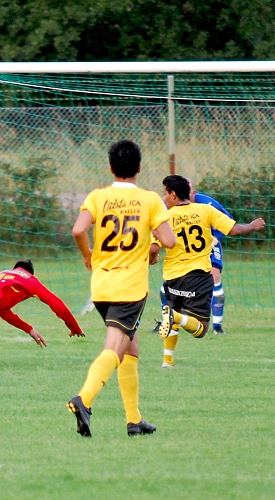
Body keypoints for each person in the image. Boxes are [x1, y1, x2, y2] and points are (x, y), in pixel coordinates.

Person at [68, 139, 176, 438]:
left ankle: (134, 420)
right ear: (139, 168)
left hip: (102, 286)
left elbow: (78, 230)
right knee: (114, 348)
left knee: (131, 345)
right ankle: (84, 399)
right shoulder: (151, 200)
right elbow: (169, 241)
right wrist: (152, 248)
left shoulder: (99, 197)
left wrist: (87, 255)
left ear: (111, 167)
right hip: (129, 288)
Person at [151, 175, 266, 367]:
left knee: (174, 314)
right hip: (198, 277)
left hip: (171, 278)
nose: (164, 199)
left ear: (173, 194)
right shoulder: (206, 210)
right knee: (201, 329)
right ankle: (174, 317)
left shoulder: (164, 218)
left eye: (165, 194)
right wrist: (252, 226)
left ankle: (167, 361)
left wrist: (151, 256)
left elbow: (155, 248)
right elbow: (234, 230)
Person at [152, 178, 233, 335]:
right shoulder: (168, 208)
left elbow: (228, 221)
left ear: (194, 193)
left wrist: (215, 238)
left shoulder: (206, 205)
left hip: (209, 243)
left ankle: (218, 325)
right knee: (170, 285)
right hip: (181, 254)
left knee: (214, 275)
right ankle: (167, 351)